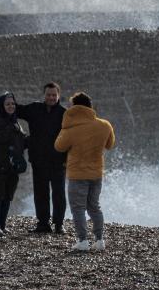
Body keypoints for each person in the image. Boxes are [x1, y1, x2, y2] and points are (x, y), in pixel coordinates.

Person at [54, 91, 116, 252]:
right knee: (94, 207)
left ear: (74, 107)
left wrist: (64, 126)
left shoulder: (71, 128)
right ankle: (99, 240)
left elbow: (59, 146)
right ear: (90, 106)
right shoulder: (104, 125)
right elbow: (110, 145)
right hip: (96, 173)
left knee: (78, 208)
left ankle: (82, 241)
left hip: (77, 175)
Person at [15, 82, 68, 234]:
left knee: (59, 194)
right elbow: (15, 110)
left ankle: (59, 224)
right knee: (41, 193)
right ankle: (43, 224)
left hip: (58, 161)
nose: (51, 97)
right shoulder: (34, 109)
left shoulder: (64, 114)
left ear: (58, 96)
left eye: (54, 95)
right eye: (48, 95)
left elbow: (72, 136)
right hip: (39, 160)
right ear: (44, 95)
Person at [0, 92, 27, 236]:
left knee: (7, 195)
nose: (11, 106)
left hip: (10, 165)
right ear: (2, 106)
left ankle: (2, 225)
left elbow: (19, 140)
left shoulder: (13, 121)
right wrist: (13, 130)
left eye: (13, 104)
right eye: (7, 104)